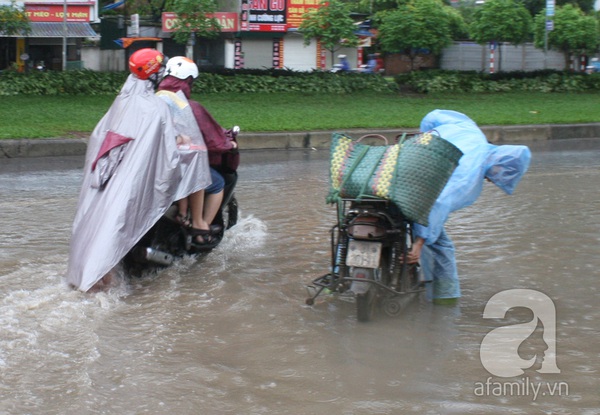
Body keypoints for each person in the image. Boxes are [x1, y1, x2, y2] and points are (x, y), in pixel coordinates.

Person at [66, 48, 209, 292]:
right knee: (117, 224)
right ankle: (102, 282)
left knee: (96, 222)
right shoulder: (155, 107)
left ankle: (88, 273)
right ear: (155, 75)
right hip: (129, 178)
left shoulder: (123, 100)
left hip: (104, 174)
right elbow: (166, 154)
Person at [405, 109, 532, 304]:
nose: (493, 181)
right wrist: (419, 244)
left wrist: (426, 135)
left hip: (403, 162)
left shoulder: (472, 132)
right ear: (499, 166)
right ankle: (446, 301)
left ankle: (339, 273)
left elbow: (435, 115)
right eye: (499, 176)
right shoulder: (469, 179)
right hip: (415, 193)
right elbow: (436, 204)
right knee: (441, 245)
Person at [157, 56, 238, 245]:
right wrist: (229, 144)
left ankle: (186, 215)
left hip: (159, 167)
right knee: (215, 182)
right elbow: (213, 139)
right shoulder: (188, 106)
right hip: (180, 168)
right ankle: (200, 228)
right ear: (189, 80)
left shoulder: (155, 99)